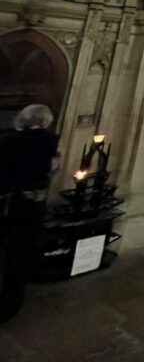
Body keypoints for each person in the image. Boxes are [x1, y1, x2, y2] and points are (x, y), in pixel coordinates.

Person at [0, 104, 59, 322]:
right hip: (31, 202)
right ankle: (10, 304)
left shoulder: (8, 140)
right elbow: (53, 168)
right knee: (19, 253)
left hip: (6, 199)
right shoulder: (50, 140)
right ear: (45, 120)